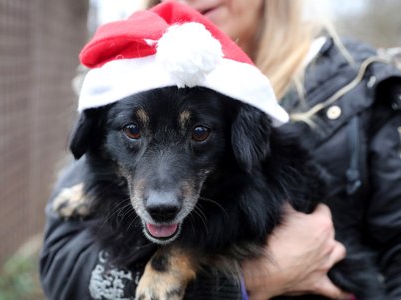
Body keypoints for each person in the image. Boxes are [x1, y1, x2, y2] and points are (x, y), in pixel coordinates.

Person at [40, 0, 401, 299]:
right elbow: (61, 269)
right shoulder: (123, 78)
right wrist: (244, 283)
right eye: (133, 130)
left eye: (199, 132)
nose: (161, 197)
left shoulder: (364, 83)